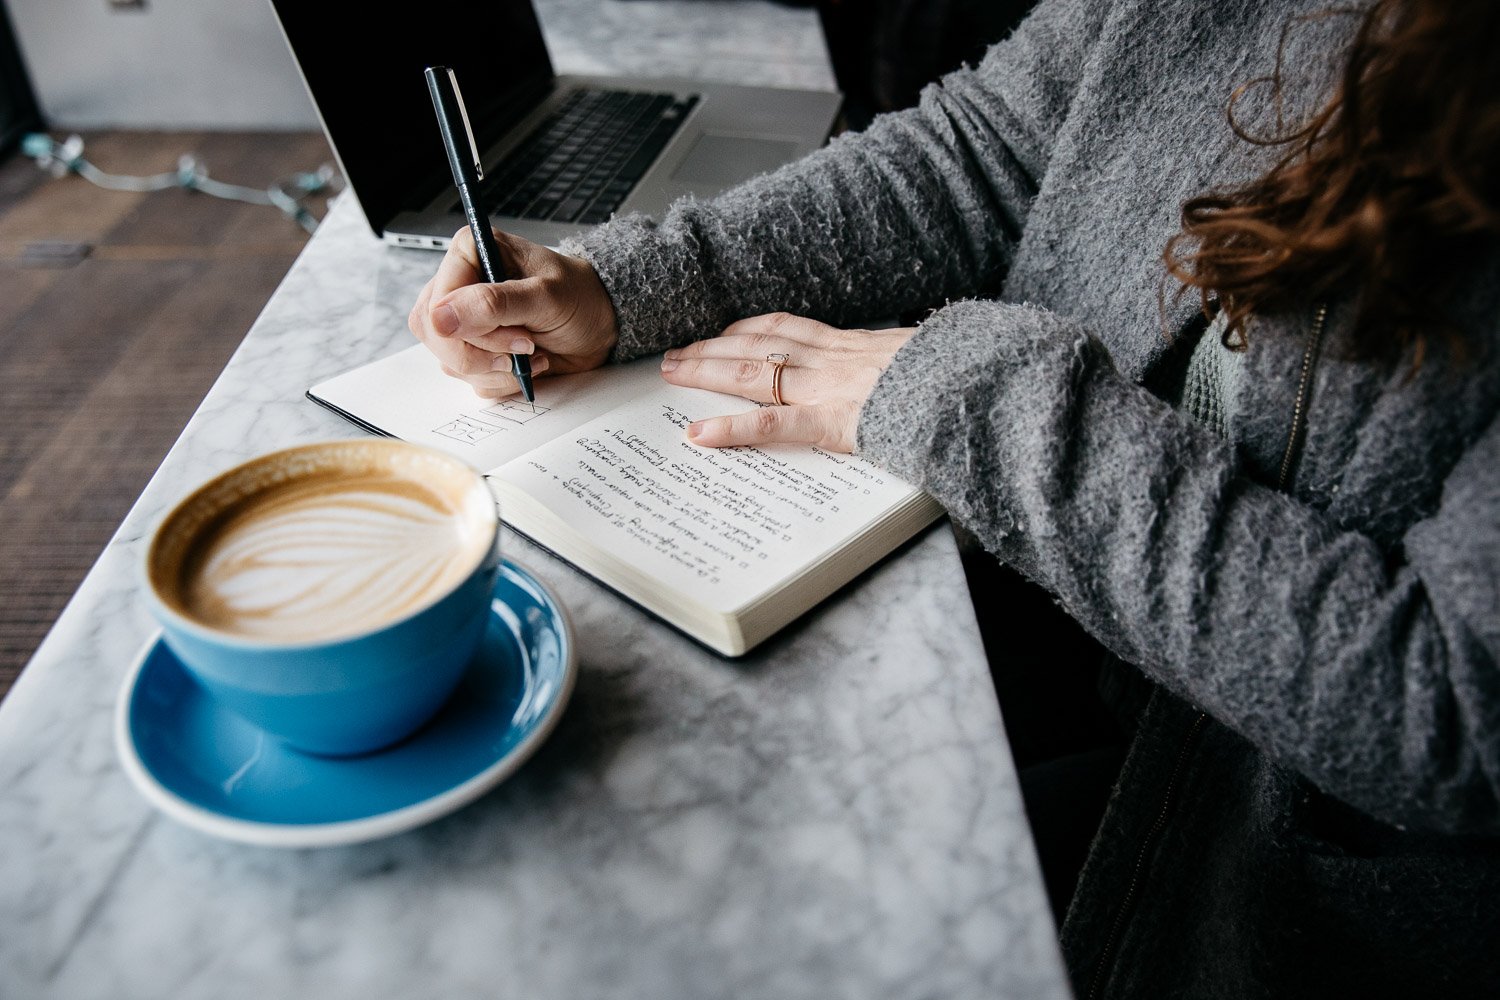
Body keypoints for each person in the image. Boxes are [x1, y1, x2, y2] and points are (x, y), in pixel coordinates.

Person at [409, 0, 1500, 995]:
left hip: (1261, 861)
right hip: (1073, 628)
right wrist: (623, 287)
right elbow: (983, 152)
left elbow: (1448, 713)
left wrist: (977, 404)